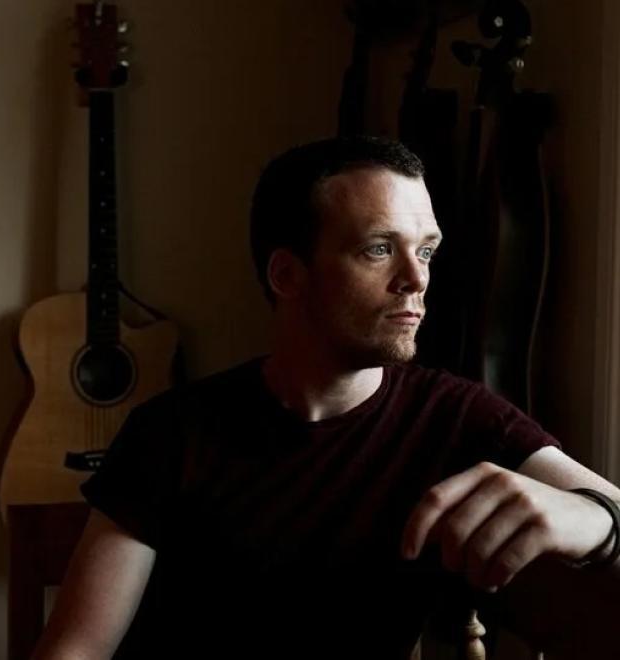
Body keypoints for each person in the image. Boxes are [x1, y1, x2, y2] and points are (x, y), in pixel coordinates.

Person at [32, 136, 620, 659]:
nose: (417, 280)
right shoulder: (171, 433)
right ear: (287, 275)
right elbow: (77, 646)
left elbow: (607, 508)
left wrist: (593, 517)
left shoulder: (456, 416)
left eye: (427, 250)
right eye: (379, 249)